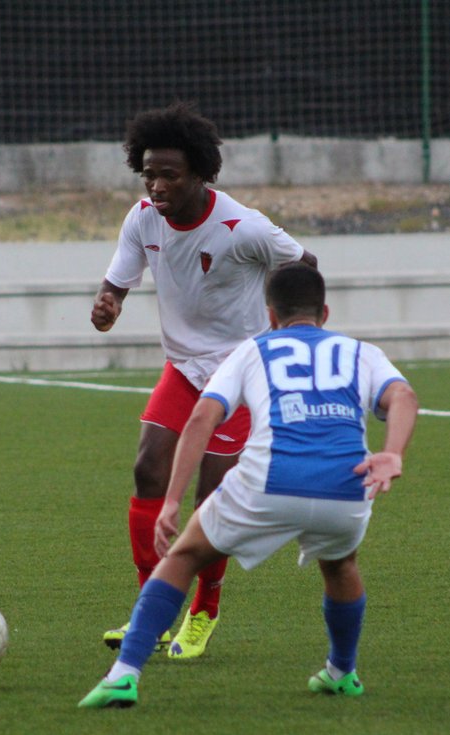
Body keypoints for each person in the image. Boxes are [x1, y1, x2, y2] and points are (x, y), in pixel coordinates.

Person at [79, 262, 419, 708]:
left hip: (268, 481)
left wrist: (173, 501)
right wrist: (393, 453)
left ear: (270, 315)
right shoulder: (361, 352)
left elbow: (202, 418)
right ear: (325, 313)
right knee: (340, 566)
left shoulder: (251, 350)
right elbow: (404, 396)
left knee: (184, 556)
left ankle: (124, 674)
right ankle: (341, 671)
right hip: (346, 486)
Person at [91, 102, 316, 658]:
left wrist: (286, 329)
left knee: (210, 499)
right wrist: (108, 305)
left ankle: (204, 609)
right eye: (148, 173)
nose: (156, 185)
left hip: (239, 374)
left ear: (199, 173)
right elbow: (117, 285)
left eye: (169, 174)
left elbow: (303, 263)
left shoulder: (243, 227)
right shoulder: (142, 217)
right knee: (147, 469)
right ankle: (151, 613)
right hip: (183, 368)